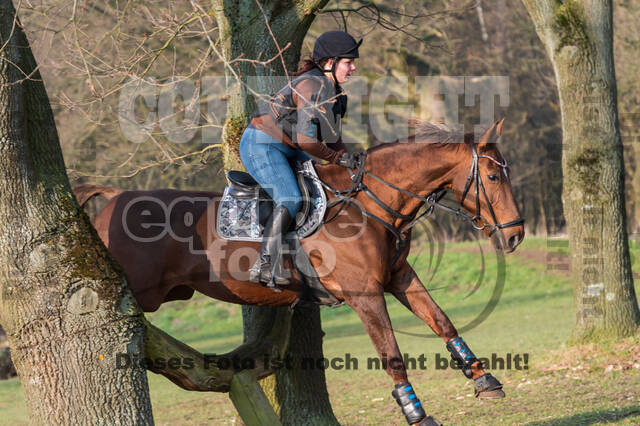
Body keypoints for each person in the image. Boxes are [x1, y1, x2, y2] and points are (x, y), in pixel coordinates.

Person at [239, 30, 362, 286]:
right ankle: (263, 265)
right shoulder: (313, 86)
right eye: (348, 62)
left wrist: (350, 161)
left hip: (287, 146)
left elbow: (331, 139)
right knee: (291, 198)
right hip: (262, 144)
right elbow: (309, 142)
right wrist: (338, 160)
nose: (353, 68)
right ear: (330, 63)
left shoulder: (333, 91)